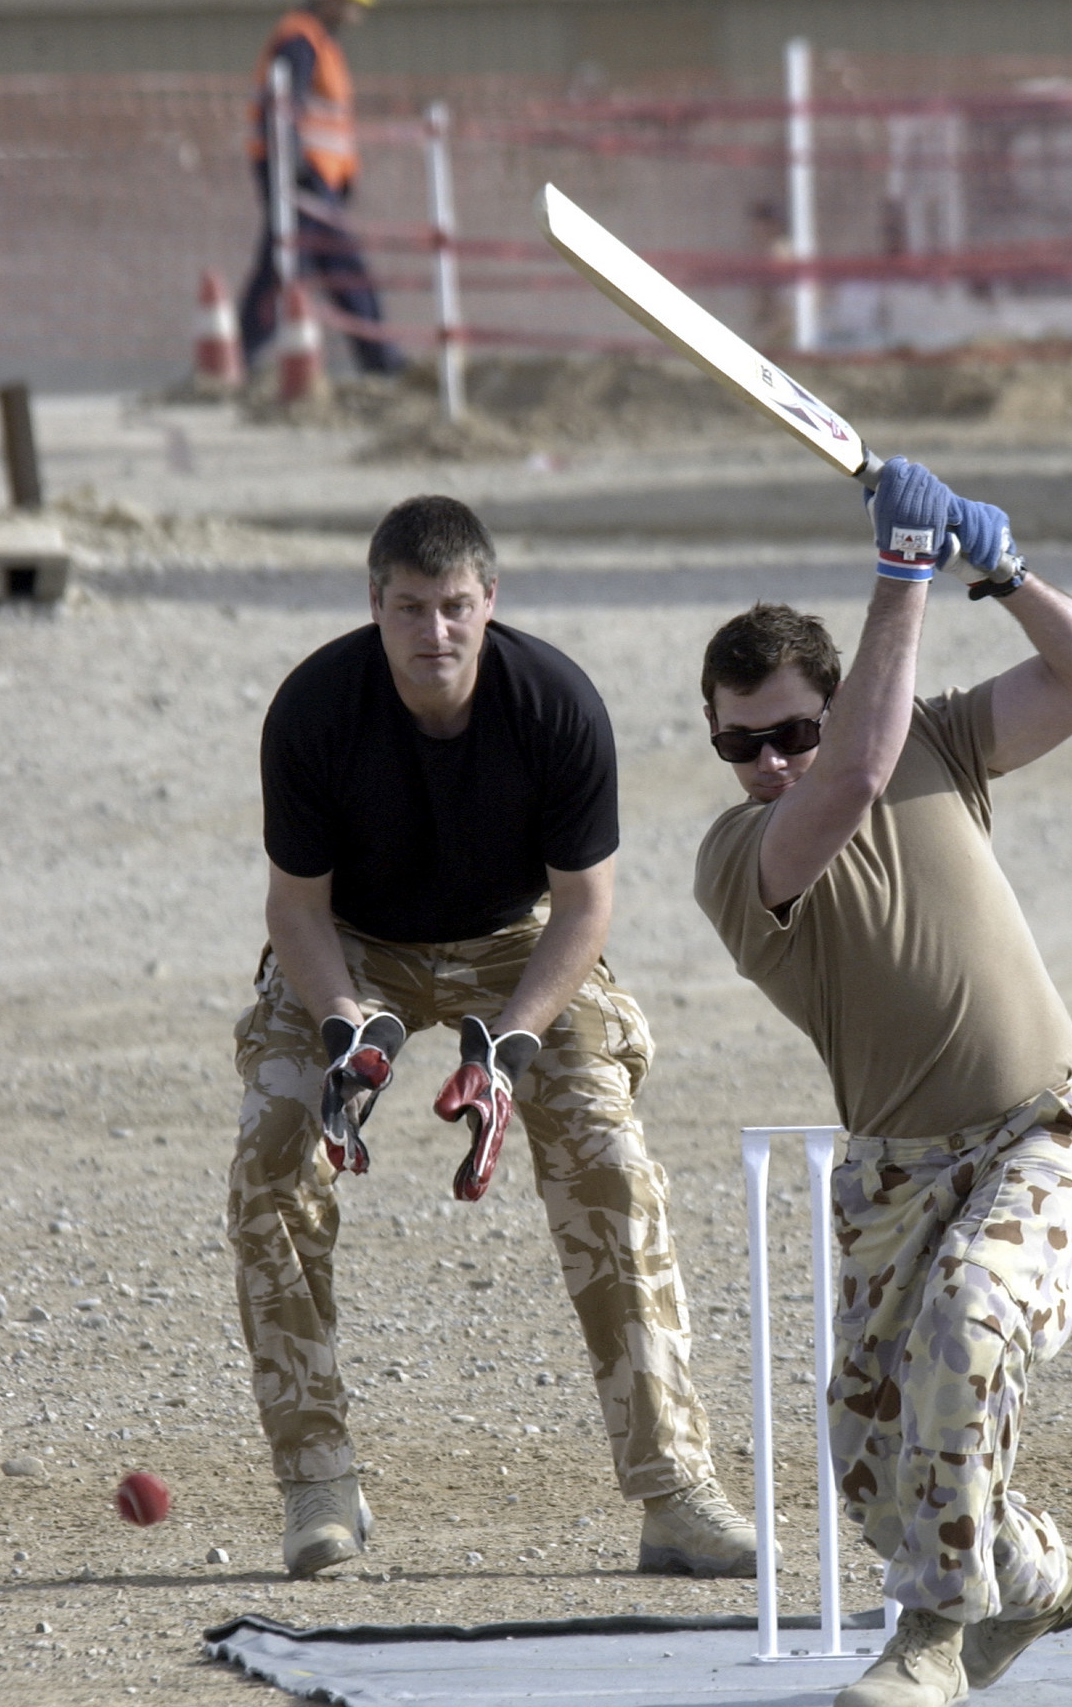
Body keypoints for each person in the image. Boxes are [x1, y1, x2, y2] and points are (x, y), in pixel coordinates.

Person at [231, 492, 748, 1583]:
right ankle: (319, 1483)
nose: (435, 633)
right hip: (353, 946)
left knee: (607, 1159)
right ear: (375, 604)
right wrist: (346, 1038)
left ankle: (674, 1491)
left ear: (489, 601)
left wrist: (506, 1051)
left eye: (455, 606)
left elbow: (585, 911)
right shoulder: (316, 709)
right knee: (274, 1159)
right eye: (410, 608)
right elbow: (295, 911)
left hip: (517, 943)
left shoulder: (553, 703)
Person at [693, 458, 1072, 1707]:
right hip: (892, 1169)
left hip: (1043, 1128)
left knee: (969, 1322)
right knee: (872, 1464)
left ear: (836, 704)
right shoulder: (738, 860)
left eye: (790, 732)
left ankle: (930, 1635)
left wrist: (1003, 575)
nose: (772, 764)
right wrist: (901, 574)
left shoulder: (935, 737)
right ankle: (1025, 1571)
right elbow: (847, 786)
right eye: (742, 746)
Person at [239, 0, 405, 380]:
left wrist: (342, 175)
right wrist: (295, 167)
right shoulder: (299, 39)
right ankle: (240, 358)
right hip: (300, 174)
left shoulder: (319, 43)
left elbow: (324, 119)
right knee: (298, 265)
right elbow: (284, 104)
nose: (356, 13)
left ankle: (381, 362)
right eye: (351, 2)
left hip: (316, 176)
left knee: (324, 265)